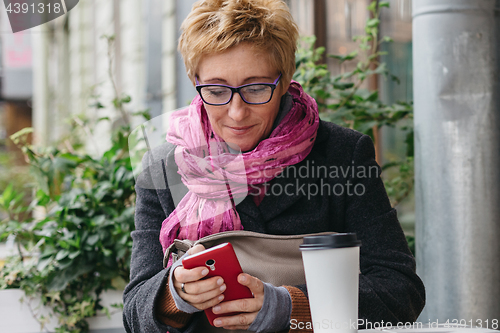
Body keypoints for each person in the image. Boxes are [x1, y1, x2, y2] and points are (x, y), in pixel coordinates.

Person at [122, 0, 426, 332]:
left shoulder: (343, 155)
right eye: (216, 90)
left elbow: (401, 291)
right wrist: (174, 293)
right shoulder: (163, 168)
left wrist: (291, 308)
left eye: (255, 88)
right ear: (196, 81)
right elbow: (134, 312)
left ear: (283, 82)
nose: (237, 112)